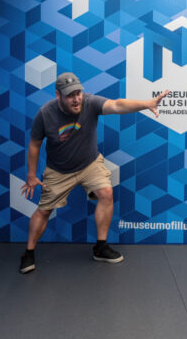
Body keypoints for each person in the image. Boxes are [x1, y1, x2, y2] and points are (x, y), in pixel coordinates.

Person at [19, 72, 168, 273]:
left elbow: (117, 105)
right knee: (44, 211)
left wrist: (146, 104)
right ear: (58, 96)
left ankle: (100, 247)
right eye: (70, 95)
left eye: (78, 93)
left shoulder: (90, 103)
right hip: (59, 170)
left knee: (106, 193)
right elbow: (35, 144)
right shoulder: (45, 114)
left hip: (89, 163)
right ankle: (28, 253)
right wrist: (31, 175)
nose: (76, 98)